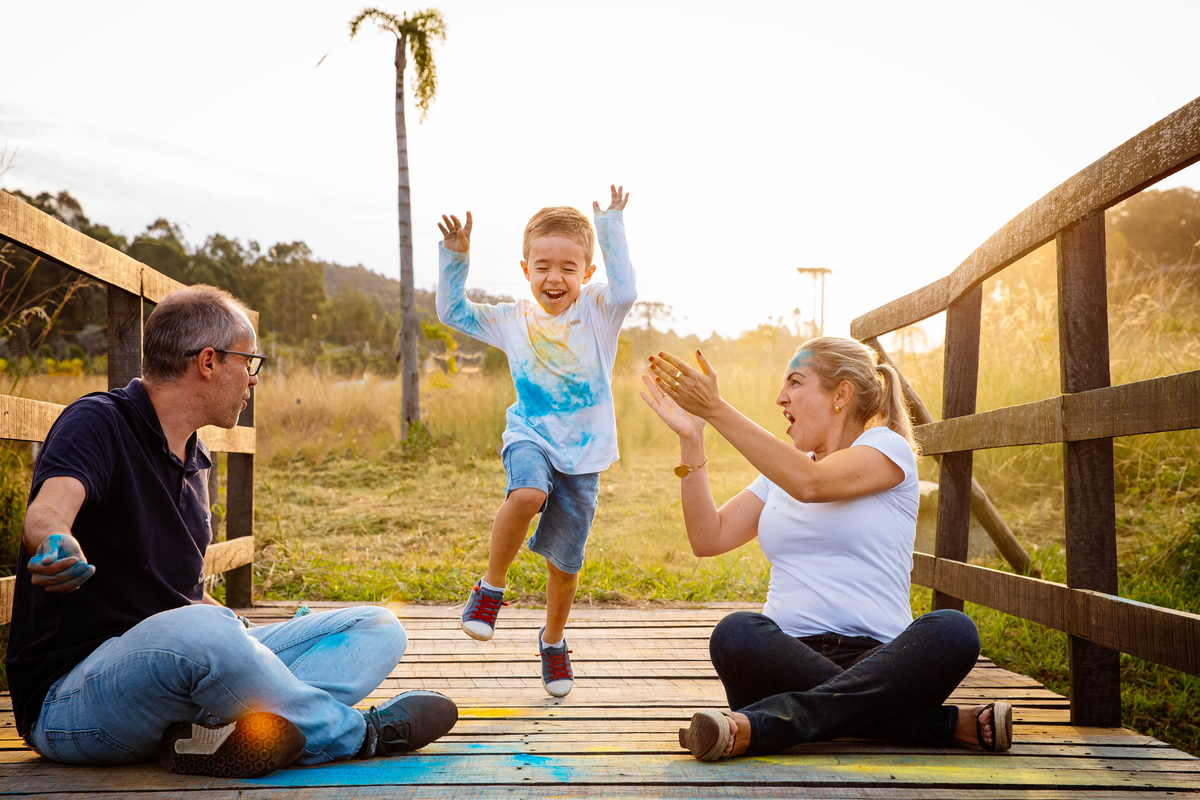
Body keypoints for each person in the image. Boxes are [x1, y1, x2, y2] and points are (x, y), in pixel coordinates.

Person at [6, 286, 458, 779]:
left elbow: (179, 597)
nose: (254, 379)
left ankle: (209, 737)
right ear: (208, 361)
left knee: (377, 627)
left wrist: (243, 638)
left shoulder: (195, 458)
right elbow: (48, 510)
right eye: (249, 362)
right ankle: (361, 734)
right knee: (209, 631)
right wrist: (56, 543)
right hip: (70, 700)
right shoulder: (99, 421)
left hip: (176, 676)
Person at [640, 336, 1013, 760]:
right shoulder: (780, 474)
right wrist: (692, 436)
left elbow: (812, 484)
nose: (781, 397)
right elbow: (708, 537)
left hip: (883, 661)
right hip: (785, 660)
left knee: (953, 630)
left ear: (841, 394)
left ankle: (761, 725)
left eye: (796, 382)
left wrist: (716, 408)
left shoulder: (886, 449)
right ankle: (933, 724)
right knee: (736, 633)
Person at [436, 185, 637, 697]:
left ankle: (552, 641)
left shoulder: (598, 310)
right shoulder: (512, 319)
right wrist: (455, 258)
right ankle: (490, 588)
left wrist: (610, 227)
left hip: (584, 455)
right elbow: (453, 313)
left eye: (569, 267)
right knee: (526, 494)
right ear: (525, 270)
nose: (555, 277)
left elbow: (626, 292)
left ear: (587, 273)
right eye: (543, 266)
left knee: (564, 566)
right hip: (530, 434)